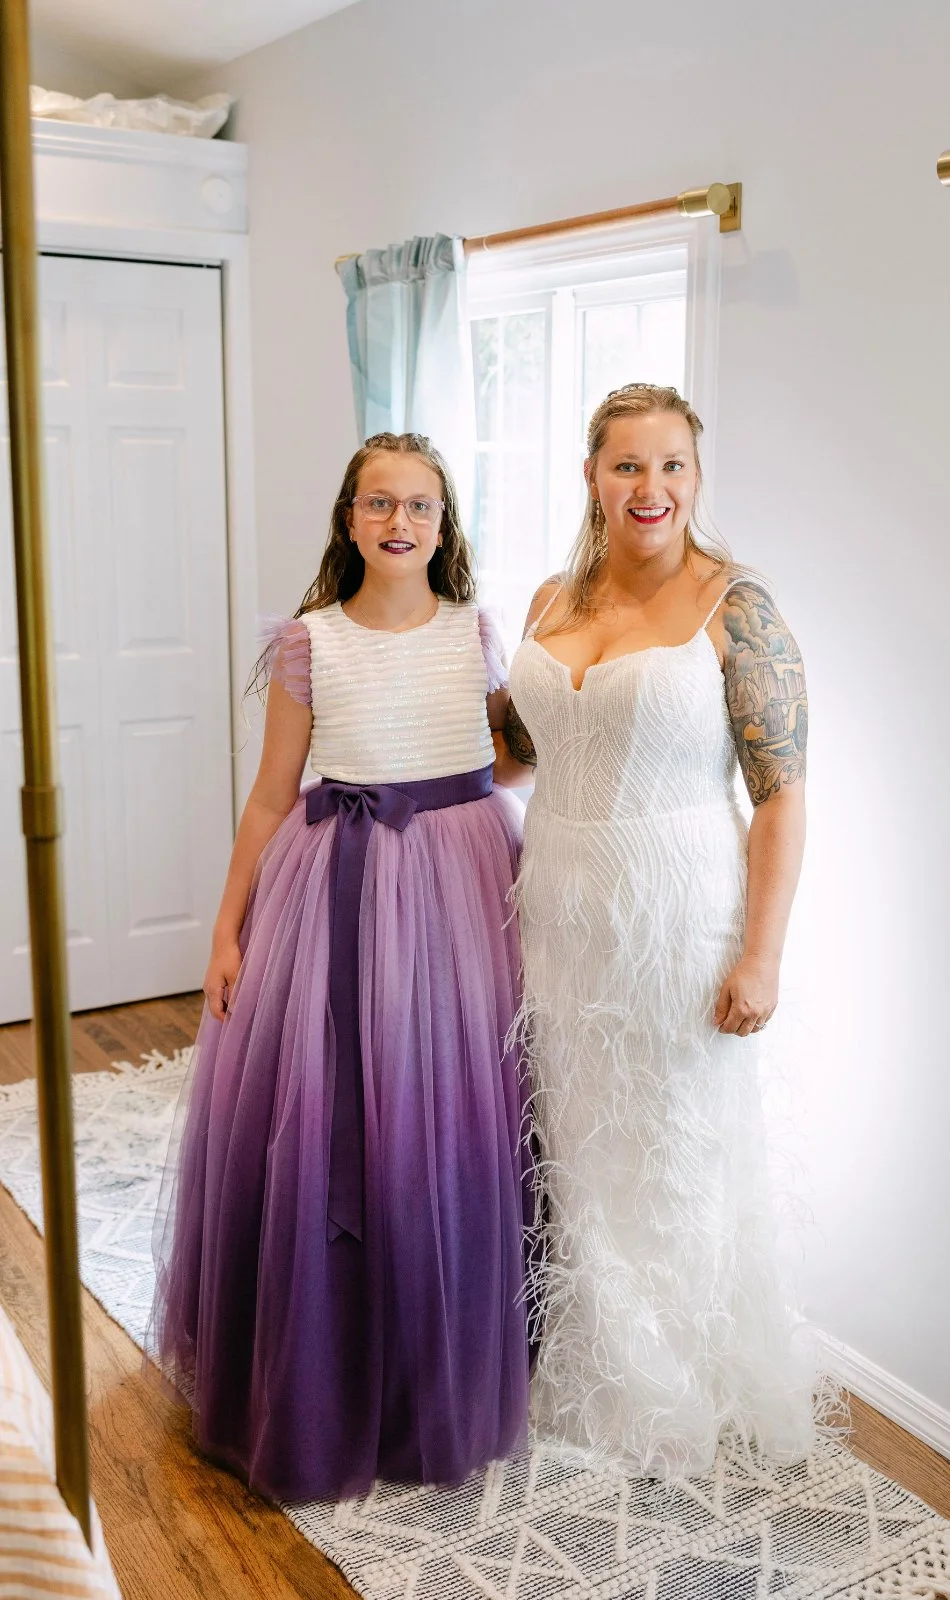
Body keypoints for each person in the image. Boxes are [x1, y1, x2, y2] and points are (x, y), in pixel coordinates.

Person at [152, 432, 531, 1502]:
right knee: (331, 1118)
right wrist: (227, 930)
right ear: (349, 518)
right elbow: (272, 793)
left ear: (444, 523)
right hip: (341, 885)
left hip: (462, 882)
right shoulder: (310, 641)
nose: (399, 521)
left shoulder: (480, 632)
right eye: (378, 503)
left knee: (454, 1114)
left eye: (419, 503)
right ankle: (323, 1364)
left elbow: (502, 752)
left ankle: (441, 1364)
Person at [498, 383, 819, 1478]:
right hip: (558, 908)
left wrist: (760, 956)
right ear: (590, 475)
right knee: (581, 1145)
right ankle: (600, 1377)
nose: (650, 488)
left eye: (671, 465)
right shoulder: (549, 598)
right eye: (626, 465)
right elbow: (511, 751)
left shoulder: (737, 607)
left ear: (696, 476)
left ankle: (682, 1391)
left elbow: (781, 796)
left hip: (680, 913)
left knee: (673, 1148)